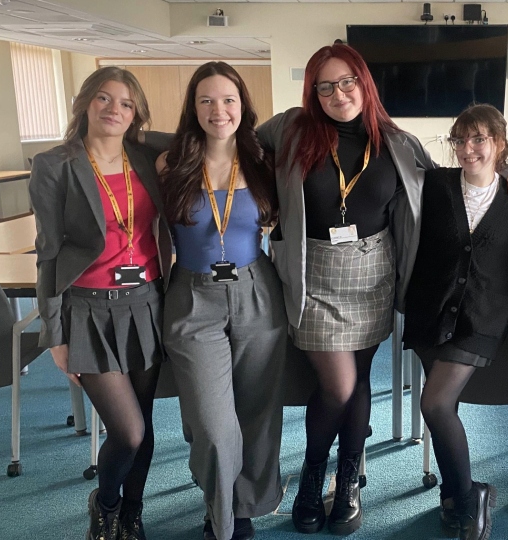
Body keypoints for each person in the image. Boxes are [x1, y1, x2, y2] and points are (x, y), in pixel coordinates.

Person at [255, 44, 508, 535]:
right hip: (313, 274)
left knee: (358, 380)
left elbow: (458, 176)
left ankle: (348, 480)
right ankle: (311, 475)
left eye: (347, 82)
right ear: (312, 92)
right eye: (325, 86)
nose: (338, 94)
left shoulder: (398, 143)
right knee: (336, 386)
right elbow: (226, 139)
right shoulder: (289, 130)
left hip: (373, 275)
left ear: (364, 83)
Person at [29, 66, 171, 540]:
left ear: (137, 115)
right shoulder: (56, 165)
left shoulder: (148, 157)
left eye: (127, 103)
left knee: (144, 426)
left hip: (146, 303)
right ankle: (105, 504)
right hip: (87, 310)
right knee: (127, 431)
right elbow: (47, 252)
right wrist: (54, 335)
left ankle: (132, 512)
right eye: (105, 99)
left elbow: (204, 130)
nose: (115, 109)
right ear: (86, 104)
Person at [157, 61, 286, 540]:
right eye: (206, 100)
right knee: (211, 424)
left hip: (257, 291)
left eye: (228, 99)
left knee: (256, 412)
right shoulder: (169, 162)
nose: (219, 110)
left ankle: (243, 507)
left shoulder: (263, 158)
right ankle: (221, 511)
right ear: (193, 107)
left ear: (243, 105)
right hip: (192, 296)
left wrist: (504, 166)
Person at [403, 104, 508, 540]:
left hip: (479, 320)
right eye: (460, 139)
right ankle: (454, 496)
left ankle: (469, 495)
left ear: (499, 142)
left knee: (434, 404)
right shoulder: (435, 185)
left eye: (479, 139)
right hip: (430, 314)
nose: (468, 149)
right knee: (446, 410)